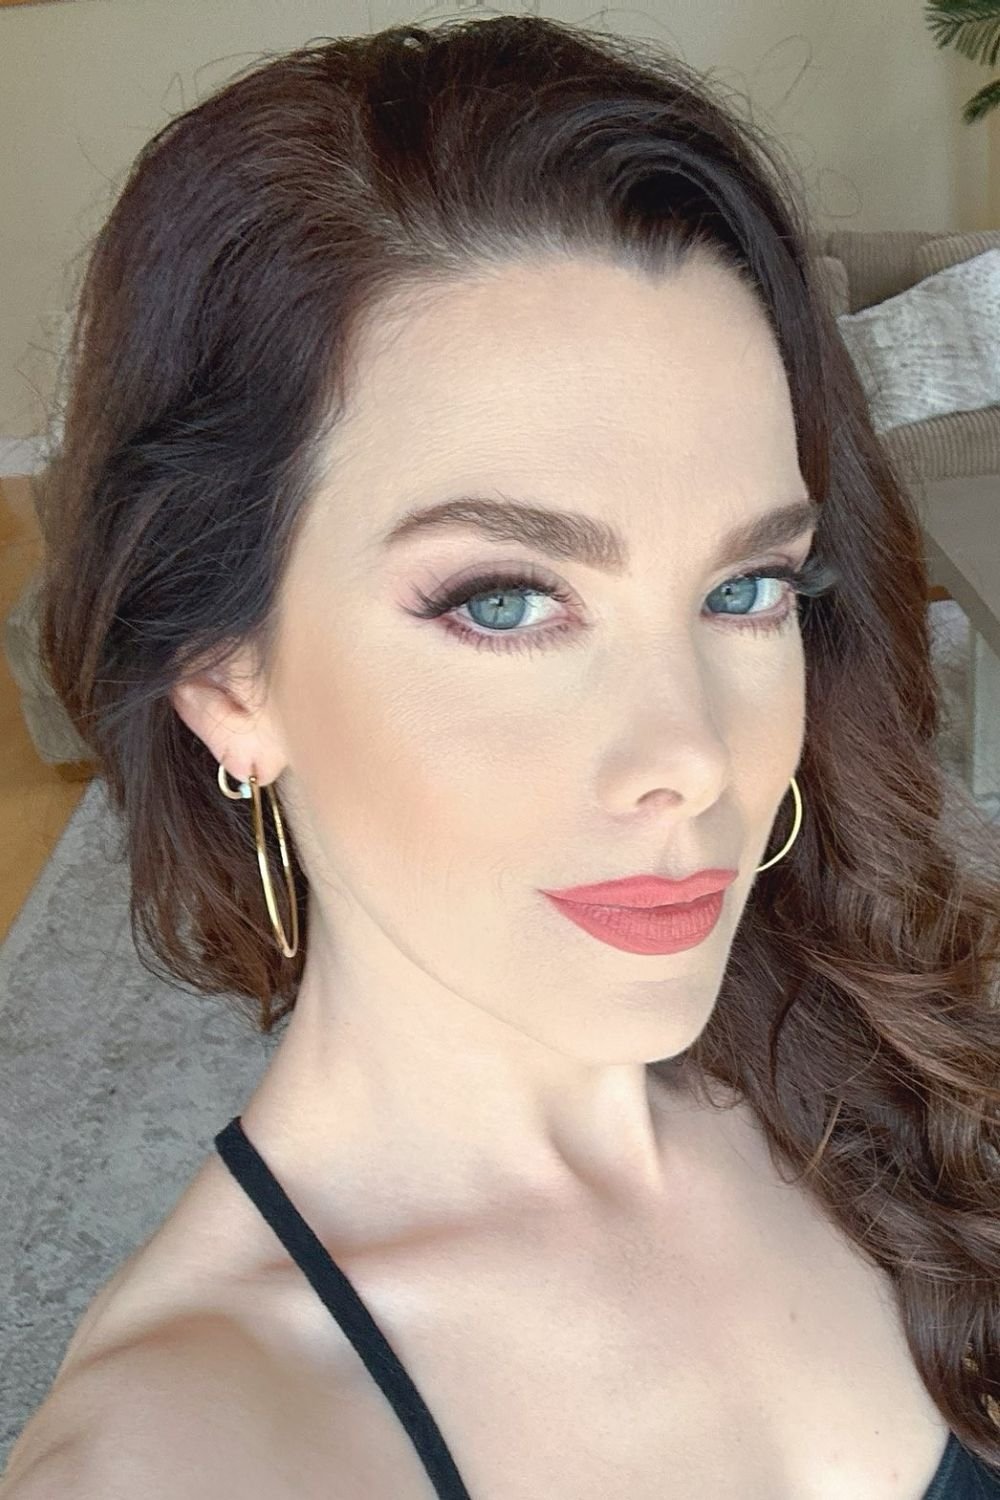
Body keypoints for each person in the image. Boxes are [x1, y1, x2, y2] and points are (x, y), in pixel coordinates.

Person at [4, 15, 1000, 1498]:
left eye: (746, 589)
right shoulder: (186, 1456)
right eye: (507, 602)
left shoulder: (880, 1066)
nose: (692, 759)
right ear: (226, 677)